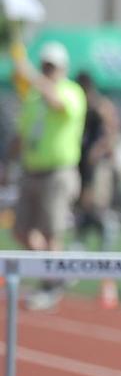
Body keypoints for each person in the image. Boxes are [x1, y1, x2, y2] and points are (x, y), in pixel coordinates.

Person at [5, 40, 87, 310]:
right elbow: (23, 133)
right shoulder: (34, 97)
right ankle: (57, 272)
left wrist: (31, 76)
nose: (46, 71)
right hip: (31, 170)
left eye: (51, 67)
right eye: (44, 66)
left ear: (63, 68)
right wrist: (7, 163)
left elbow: (59, 105)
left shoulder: (71, 92)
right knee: (21, 230)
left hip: (58, 172)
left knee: (52, 231)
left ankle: (52, 281)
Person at [74, 71, 121, 308]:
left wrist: (99, 150)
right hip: (83, 169)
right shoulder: (80, 105)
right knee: (84, 219)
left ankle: (107, 278)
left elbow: (111, 132)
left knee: (99, 216)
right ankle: (78, 264)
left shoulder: (100, 106)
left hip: (98, 169)